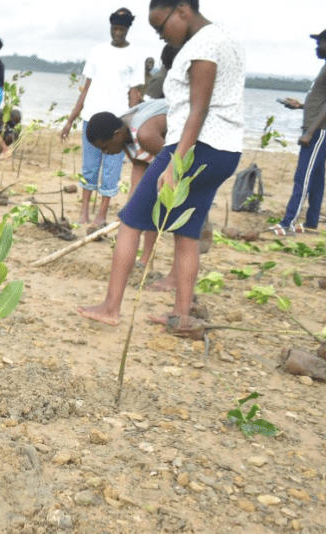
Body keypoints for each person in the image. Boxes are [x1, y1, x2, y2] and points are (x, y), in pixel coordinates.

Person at [76, 0, 244, 332]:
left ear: (182, 11)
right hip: (226, 150)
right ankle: (181, 317)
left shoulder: (204, 43)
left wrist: (175, 163)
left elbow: (198, 109)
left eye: (160, 26)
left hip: (197, 148)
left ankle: (111, 307)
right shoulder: (225, 37)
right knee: (186, 233)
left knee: (130, 221)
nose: (160, 36)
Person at [60, 7, 142, 228]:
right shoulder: (97, 51)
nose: (118, 33)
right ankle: (84, 213)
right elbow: (85, 89)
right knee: (89, 168)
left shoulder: (135, 55)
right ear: (110, 27)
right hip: (92, 120)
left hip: (118, 125)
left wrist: (133, 126)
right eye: (114, 28)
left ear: (127, 29)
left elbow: (135, 93)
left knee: (112, 170)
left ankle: (102, 214)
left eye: (122, 29)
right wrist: (70, 120)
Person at [274, 28, 326, 236]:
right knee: (316, 176)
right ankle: (311, 222)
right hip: (320, 128)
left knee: (304, 175)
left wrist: (310, 132)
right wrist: (300, 106)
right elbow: (323, 101)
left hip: (321, 130)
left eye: (320, 43)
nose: (317, 47)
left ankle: (288, 224)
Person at [86, 99, 168, 268]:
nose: (105, 153)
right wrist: (130, 206)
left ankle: (146, 260)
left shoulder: (144, 134)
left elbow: (174, 162)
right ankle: (141, 261)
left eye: (106, 147)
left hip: (190, 138)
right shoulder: (124, 132)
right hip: (161, 149)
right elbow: (139, 167)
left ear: (117, 135)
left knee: (156, 203)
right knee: (143, 203)